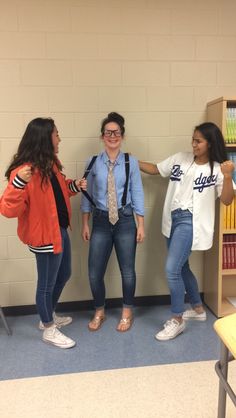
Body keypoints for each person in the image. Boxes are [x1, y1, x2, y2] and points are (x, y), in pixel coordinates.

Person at [139, 122, 234, 341]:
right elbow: (156, 169)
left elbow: (228, 200)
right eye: (193, 139)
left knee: (172, 268)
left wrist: (228, 175)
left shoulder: (218, 168)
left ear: (210, 143)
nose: (193, 144)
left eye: (198, 141)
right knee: (182, 267)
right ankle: (198, 309)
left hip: (190, 222)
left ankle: (177, 319)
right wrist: (132, 161)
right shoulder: (180, 158)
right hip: (172, 219)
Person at [0, 117, 87, 349]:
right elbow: (7, 209)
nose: (60, 138)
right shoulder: (25, 171)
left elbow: (57, 195)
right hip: (44, 235)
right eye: (56, 134)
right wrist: (18, 183)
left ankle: (48, 314)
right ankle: (48, 328)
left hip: (59, 230)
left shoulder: (50, 164)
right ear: (45, 137)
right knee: (46, 284)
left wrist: (74, 186)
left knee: (65, 273)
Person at [81, 112, 145, 332]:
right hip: (99, 221)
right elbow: (86, 194)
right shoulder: (92, 163)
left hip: (126, 220)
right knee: (94, 272)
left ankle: (127, 312)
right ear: (102, 136)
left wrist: (141, 224)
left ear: (122, 136)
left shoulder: (131, 162)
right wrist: (85, 223)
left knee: (127, 271)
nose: (112, 135)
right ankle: (100, 311)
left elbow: (137, 193)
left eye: (116, 132)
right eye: (108, 132)